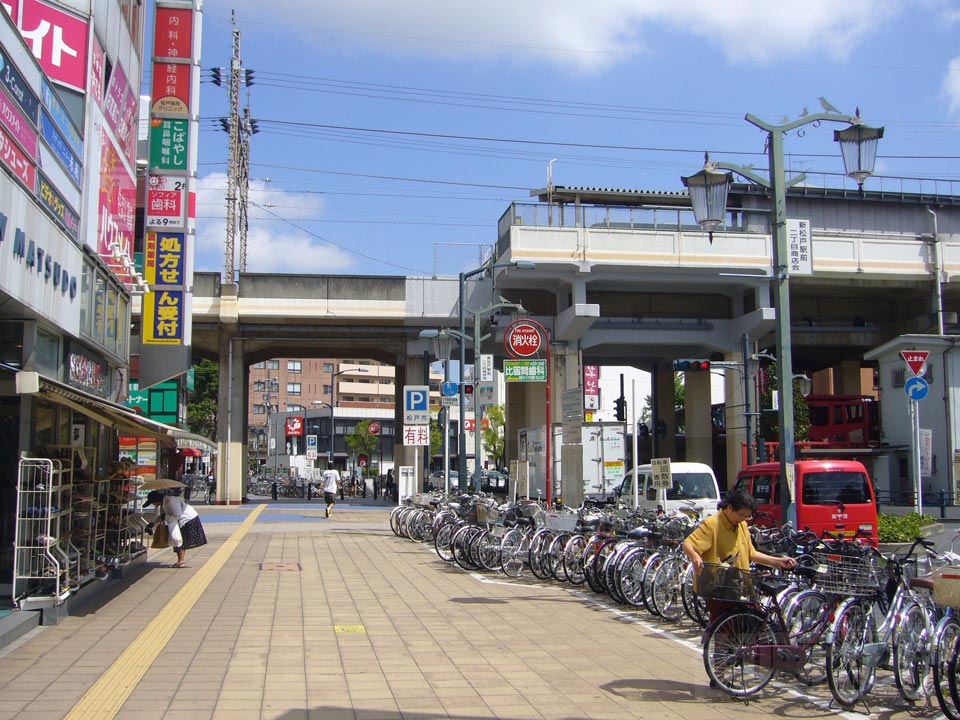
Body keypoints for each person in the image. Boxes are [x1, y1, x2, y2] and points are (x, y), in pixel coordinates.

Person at [682, 489, 796, 622]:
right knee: (727, 630)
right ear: (729, 508)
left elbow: (751, 553)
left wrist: (778, 561)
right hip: (719, 588)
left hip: (740, 587)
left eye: (747, 516)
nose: (743, 519)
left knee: (746, 628)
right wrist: (695, 557)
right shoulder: (712, 524)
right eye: (740, 514)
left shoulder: (742, 525)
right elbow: (688, 544)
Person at [144, 490, 207, 568]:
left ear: (157, 500)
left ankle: (181, 561)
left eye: (153, 502)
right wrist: (152, 524)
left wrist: (166, 517)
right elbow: (162, 516)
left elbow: (177, 515)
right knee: (177, 540)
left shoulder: (171, 501)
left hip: (188, 519)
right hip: (179, 521)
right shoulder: (163, 504)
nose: (153, 504)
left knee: (180, 540)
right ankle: (180, 561)